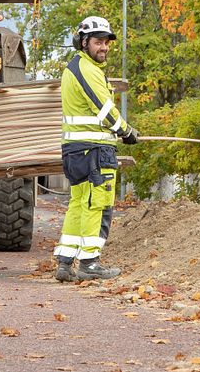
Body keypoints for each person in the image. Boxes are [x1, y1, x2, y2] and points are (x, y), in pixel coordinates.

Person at [53, 15, 140, 282]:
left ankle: (65, 263)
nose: (104, 47)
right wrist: (126, 131)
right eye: (98, 42)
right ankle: (90, 264)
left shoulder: (76, 68)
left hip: (78, 150)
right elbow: (104, 110)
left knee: (79, 205)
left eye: (106, 42)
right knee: (97, 205)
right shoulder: (86, 70)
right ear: (83, 42)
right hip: (93, 152)